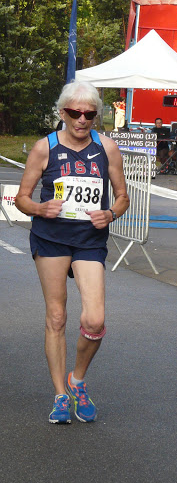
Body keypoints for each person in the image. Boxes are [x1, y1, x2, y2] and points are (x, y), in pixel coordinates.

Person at [15, 81, 130, 424]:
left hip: (88, 240)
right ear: (62, 112)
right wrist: (39, 208)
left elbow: (122, 196)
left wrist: (110, 213)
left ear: (96, 115)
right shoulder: (43, 148)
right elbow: (22, 197)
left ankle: (76, 380)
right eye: (74, 112)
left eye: (89, 114)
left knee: (94, 320)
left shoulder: (106, 148)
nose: (82, 119)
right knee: (57, 317)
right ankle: (60, 396)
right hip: (51, 239)